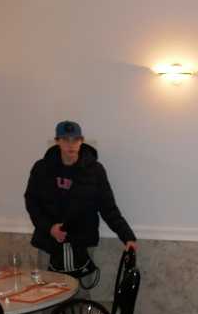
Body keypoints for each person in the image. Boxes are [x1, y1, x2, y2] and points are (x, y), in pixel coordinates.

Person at [24, 120, 136, 289]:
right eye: (65, 139)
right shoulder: (41, 168)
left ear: (81, 141)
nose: (71, 144)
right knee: (47, 294)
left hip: (82, 243)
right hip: (48, 242)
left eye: (75, 139)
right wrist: (50, 228)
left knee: (81, 296)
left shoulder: (95, 170)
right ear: (57, 141)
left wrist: (127, 236)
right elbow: (32, 203)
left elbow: (108, 208)